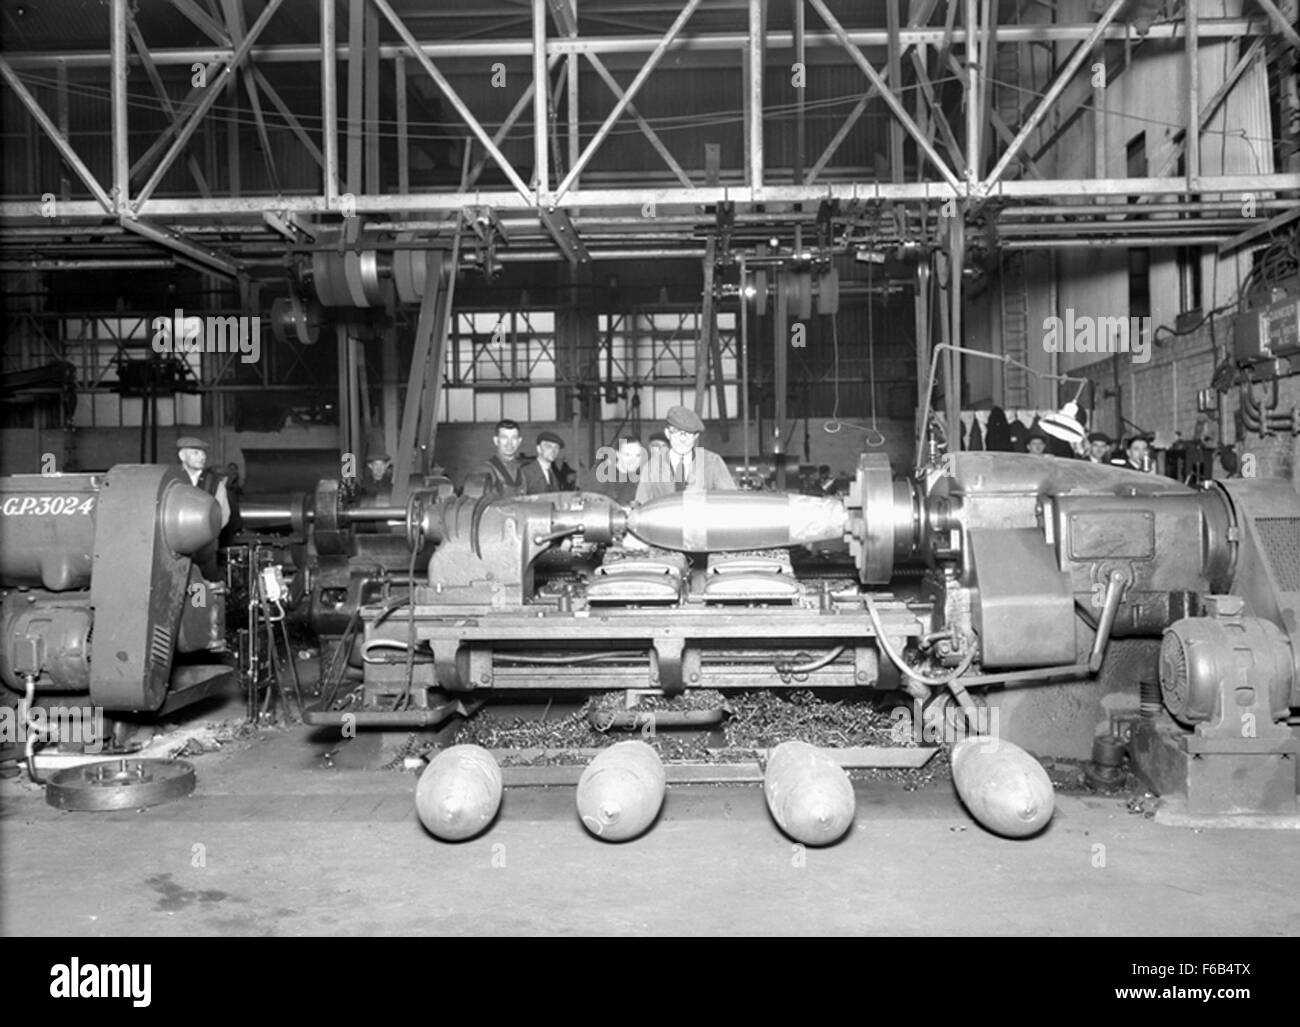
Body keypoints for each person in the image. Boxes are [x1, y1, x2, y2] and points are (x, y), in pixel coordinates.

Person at [635, 405, 736, 504]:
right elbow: (640, 506)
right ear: (667, 433)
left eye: (688, 433)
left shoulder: (712, 462)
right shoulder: (652, 467)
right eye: (676, 432)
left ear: (696, 436)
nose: (682, 439)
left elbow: (731, 500)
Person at [166, 436, 230, 580]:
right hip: (176, 553)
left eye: (203, 453)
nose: (202, 457)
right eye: (196, 453)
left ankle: (199, 603)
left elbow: (223, 516)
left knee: (199, 595)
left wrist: (206, 535)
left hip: (204, 554)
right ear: (182, 456)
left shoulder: (214, 484)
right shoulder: (172, 482)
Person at [474, 419, 526, 495]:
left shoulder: (523, 471)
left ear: (519, 441)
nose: (509, 443)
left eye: (514, 438)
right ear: (496, 441)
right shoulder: (486, 471)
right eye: (504, 437)